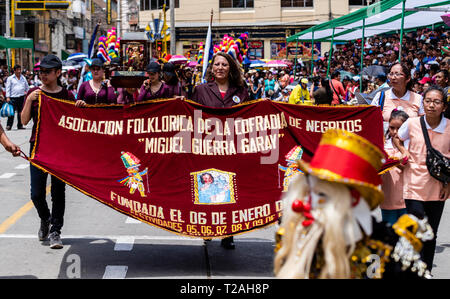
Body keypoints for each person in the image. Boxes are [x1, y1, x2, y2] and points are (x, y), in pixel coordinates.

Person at [274, 129, 434, 279]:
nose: (306, 204)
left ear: (353, 199)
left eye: (322, 195)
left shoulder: (388, 249)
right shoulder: (292, 236)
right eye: (309, 192)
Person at [191, 52, 249, 249]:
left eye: (225, 64)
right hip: (207, 147)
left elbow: (250, 116)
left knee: (228, 190)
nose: (221, 68)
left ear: (230, 68)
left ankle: (228, 233)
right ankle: (207, 229)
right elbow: (192, 116)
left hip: (232, 148)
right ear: (212, 68)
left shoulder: (241, 91)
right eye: (217, 64)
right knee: (207, 187)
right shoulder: (200, 90)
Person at [21, 54, 76, 249]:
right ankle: (46, 219)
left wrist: (80, 107)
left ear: (58, 73)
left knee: (58, 192)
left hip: (60, 150)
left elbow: (76, 122)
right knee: (36, 193)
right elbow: (24, 121)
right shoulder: (34, 93)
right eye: (41, 72)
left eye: (47, 72)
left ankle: (55, 231)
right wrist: (28, 100)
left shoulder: (67, 96)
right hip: (38, 148)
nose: (43, 75)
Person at [395, 86, 450, 272]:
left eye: (436, 102)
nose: (431, 105)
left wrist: (448, 184)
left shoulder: (449, 127)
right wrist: (403, 151)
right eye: (428, 101)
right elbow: (397, 138)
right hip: (413, 186)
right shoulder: (411, 123)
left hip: (437, 187)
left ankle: (426, 271)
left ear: (444, 106)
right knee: (416, 232)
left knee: (431, 233)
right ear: (422, 103)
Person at [371, 62, 424, 131]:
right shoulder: (380, 96)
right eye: (391, 74)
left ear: (408, 78)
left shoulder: (418, 98)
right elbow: (372, 121)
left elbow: (423, 125)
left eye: (397, 74)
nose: (393, 77)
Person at [380, 109, 409, 225]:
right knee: (389, 233)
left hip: (407, 199)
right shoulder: (383, 145)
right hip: (387, 198)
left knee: (406, 235)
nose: (395, 132)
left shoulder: (410, 145)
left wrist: (395, 162)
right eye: (392, 128)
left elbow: (411, 169)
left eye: (400, 128)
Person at [5, 65, 29, 130]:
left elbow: (27, 87)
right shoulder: (10, 78)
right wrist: (7, 97)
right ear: (14, 71)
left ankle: (20, 125)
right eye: (17, 70)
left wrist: (28, 93)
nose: (19, 71)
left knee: (20, 112)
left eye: (20, 69)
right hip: (13, 97)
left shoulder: (23, 78)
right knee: (11, 112)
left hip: (21, 97)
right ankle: (9, 125)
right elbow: (8, 88)